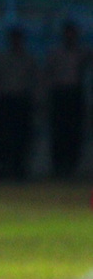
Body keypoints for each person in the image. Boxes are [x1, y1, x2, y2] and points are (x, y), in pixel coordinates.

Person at [0, 26, 37, 180]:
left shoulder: (29, 59)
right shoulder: (2, 58)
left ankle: (20, 168)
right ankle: (3, 168)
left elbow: (35, 81)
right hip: (5, 100)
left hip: (22, 100)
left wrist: (36, 100)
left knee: (22, 137)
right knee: (3, 136)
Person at [44, 20, 90, 178]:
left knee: (74, 132)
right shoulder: (55, 53)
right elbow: (48, 74)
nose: (70, 36)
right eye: (67, 32)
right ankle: (58, 167)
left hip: (74, 94)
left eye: (72, 33)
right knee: (58, 132)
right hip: (59, 93)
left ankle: (72, 167)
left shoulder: (82, 52)